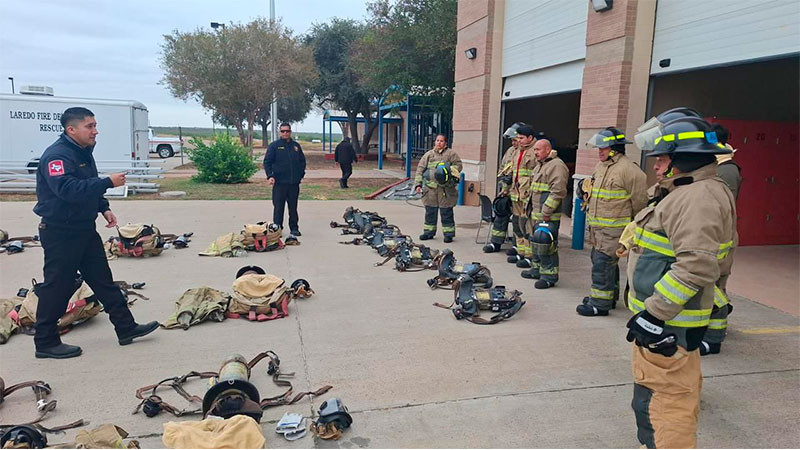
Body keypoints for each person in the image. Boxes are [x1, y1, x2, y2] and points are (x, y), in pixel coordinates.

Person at [626, 112, 736, 448]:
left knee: (664, 405)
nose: (657, 167)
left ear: (681, 159)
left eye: (662, 159)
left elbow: (696, 266)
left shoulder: (697, 198)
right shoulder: (688, 191)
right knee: (660, 399)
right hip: (670, 322)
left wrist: (653, 314)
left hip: (669, 325)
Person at [32, 107, 159, 359]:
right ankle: (45, 342)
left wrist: (104, 207)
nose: (95, 131)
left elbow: (86, 183)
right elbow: (67, 189)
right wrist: (107, 183)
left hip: (83, 229)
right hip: (60, 232)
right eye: (89, 126)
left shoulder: (82, 151)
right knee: (58, 286)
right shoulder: (56, 156)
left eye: (95, 125)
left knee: (103, 280)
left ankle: (126, 328)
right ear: (71, 129)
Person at [576, 127, 647, 316]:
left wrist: (635, 231)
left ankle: (600, 304)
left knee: (602, 264)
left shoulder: (629, 171)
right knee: (603, 263)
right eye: (599, 148)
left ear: (615, 148)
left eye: (604, 148)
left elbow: (640, 203)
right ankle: (609, 296)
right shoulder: (602, 167)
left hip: (615, 231)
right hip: (598, 229)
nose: (600, 152)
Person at [524, 139, 569, 289]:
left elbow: (558, 191)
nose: (535, 153)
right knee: (536, 242)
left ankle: (549, 276)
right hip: (536, 214)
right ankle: (536, 270)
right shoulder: (541, 165)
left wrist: (546, 211)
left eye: (538, 150)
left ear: (548, 149)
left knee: (547, 245)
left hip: (547, 215)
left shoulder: (556, 166)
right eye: (535, 150)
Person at [483, 123, 524, 253]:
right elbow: (502, 168)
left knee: (519, 221)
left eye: (515, 140)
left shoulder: (527, 153)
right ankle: (496, 243)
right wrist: (503, 183)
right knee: (500, 215)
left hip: (520, 193)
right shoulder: (510, 151)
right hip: (506, 191)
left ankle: (517, 246)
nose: (513, 143)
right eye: (512, 140)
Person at [413, 134, 462, 243]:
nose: (439, 143)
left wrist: (449, 170)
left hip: (446, 190)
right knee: (430, 212)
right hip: (430, 190)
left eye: (441, 141)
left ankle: (448, 234)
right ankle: (428, 233)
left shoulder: (451, 154)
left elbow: (459, 166)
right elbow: (420, 170)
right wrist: (418, 184)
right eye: (437, 140)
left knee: (446, 212)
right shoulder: (428, 155)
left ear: (445, 143)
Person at [264, 122, 306, 236]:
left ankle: (294, 228)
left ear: (290, 132)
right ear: (280, 132)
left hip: (293, 184)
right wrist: (270, 176)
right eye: (283, 131)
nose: (285, 133)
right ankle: (277, 229)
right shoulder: (274, 146)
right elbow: (267, 162)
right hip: (279, 183)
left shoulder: (296, 146)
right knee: (278, 207)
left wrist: (300, 174)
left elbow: (302, 162)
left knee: (293, 208)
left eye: (287, 131)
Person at [504, 125, 537, 266]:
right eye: (518, 138)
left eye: (522, 138)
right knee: (518, 224)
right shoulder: (518, 151)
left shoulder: (535, 151)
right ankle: (521, 253)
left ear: (530, 138)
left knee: (527, 226)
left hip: (527, 196)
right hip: (516, 194)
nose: (519, 141)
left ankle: (530, 256)